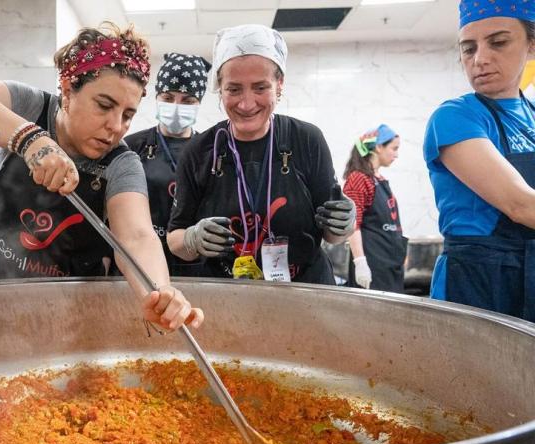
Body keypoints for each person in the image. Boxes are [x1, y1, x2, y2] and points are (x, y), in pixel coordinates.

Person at [0, 23, 203, 331]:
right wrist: (29, 139)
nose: (116, 126)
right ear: (69, 89)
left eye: (127, 115)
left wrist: (159, 293)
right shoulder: (30, 107)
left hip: (73, 324)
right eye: (104, 105)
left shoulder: (122, 163)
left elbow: (136, 236)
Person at [167, 24, 356, 284]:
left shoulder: (307, 140)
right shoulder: (199, 151)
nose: (246, 103)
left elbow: (332, 235)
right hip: (228, 292)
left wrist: (343, 224)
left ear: (279, 85)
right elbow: (175, 238)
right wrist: (191, 240)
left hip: (305, 291)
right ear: (219, 89)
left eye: (260, 88)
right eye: (233, 89)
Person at [424, 0, 535, 321]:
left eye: (498, 42)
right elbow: (520, 205)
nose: (480, 59)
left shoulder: (530, 116)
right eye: (468, 48)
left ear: (531, 44)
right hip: (476, 282)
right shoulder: (455, 116)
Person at [124, 52, 212, 276]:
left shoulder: (210, 150)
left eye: (188, 100)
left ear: (199, 102)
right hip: (140, 263)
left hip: (192, 265)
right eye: (168, 97)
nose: (176, 106)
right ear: (156, 97)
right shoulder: (133, 146)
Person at [342, 124, 407, 292]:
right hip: (372, 266)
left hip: (389, 266)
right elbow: (352, 224)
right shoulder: (358, 179)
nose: (397, 154)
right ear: (378, 147)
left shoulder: (379, 179)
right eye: (394, 148)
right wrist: (360, 263)